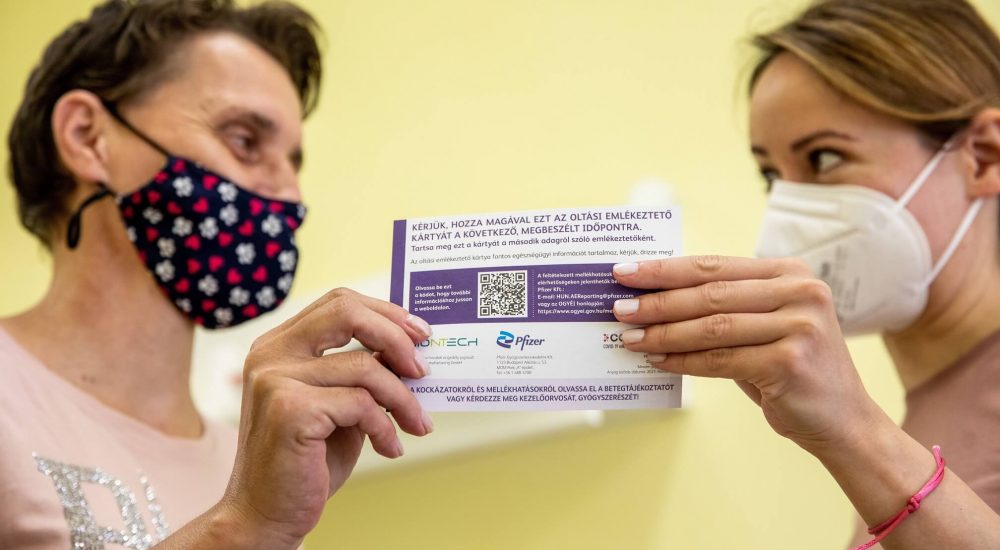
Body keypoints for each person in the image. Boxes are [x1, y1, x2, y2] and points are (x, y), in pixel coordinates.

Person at [0, 1, 433, 548]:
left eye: (293, 162)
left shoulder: (254, 464)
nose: (290, 195)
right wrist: (244, 526)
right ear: (89, 137)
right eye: (244, 140)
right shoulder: (252, 499)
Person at [612, 0, 1000, 547]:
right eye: (772, 176)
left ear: (983, 156)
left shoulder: (871, 439)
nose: (789, 215)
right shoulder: (916, 422)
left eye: (823, 158)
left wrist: (854, 432)